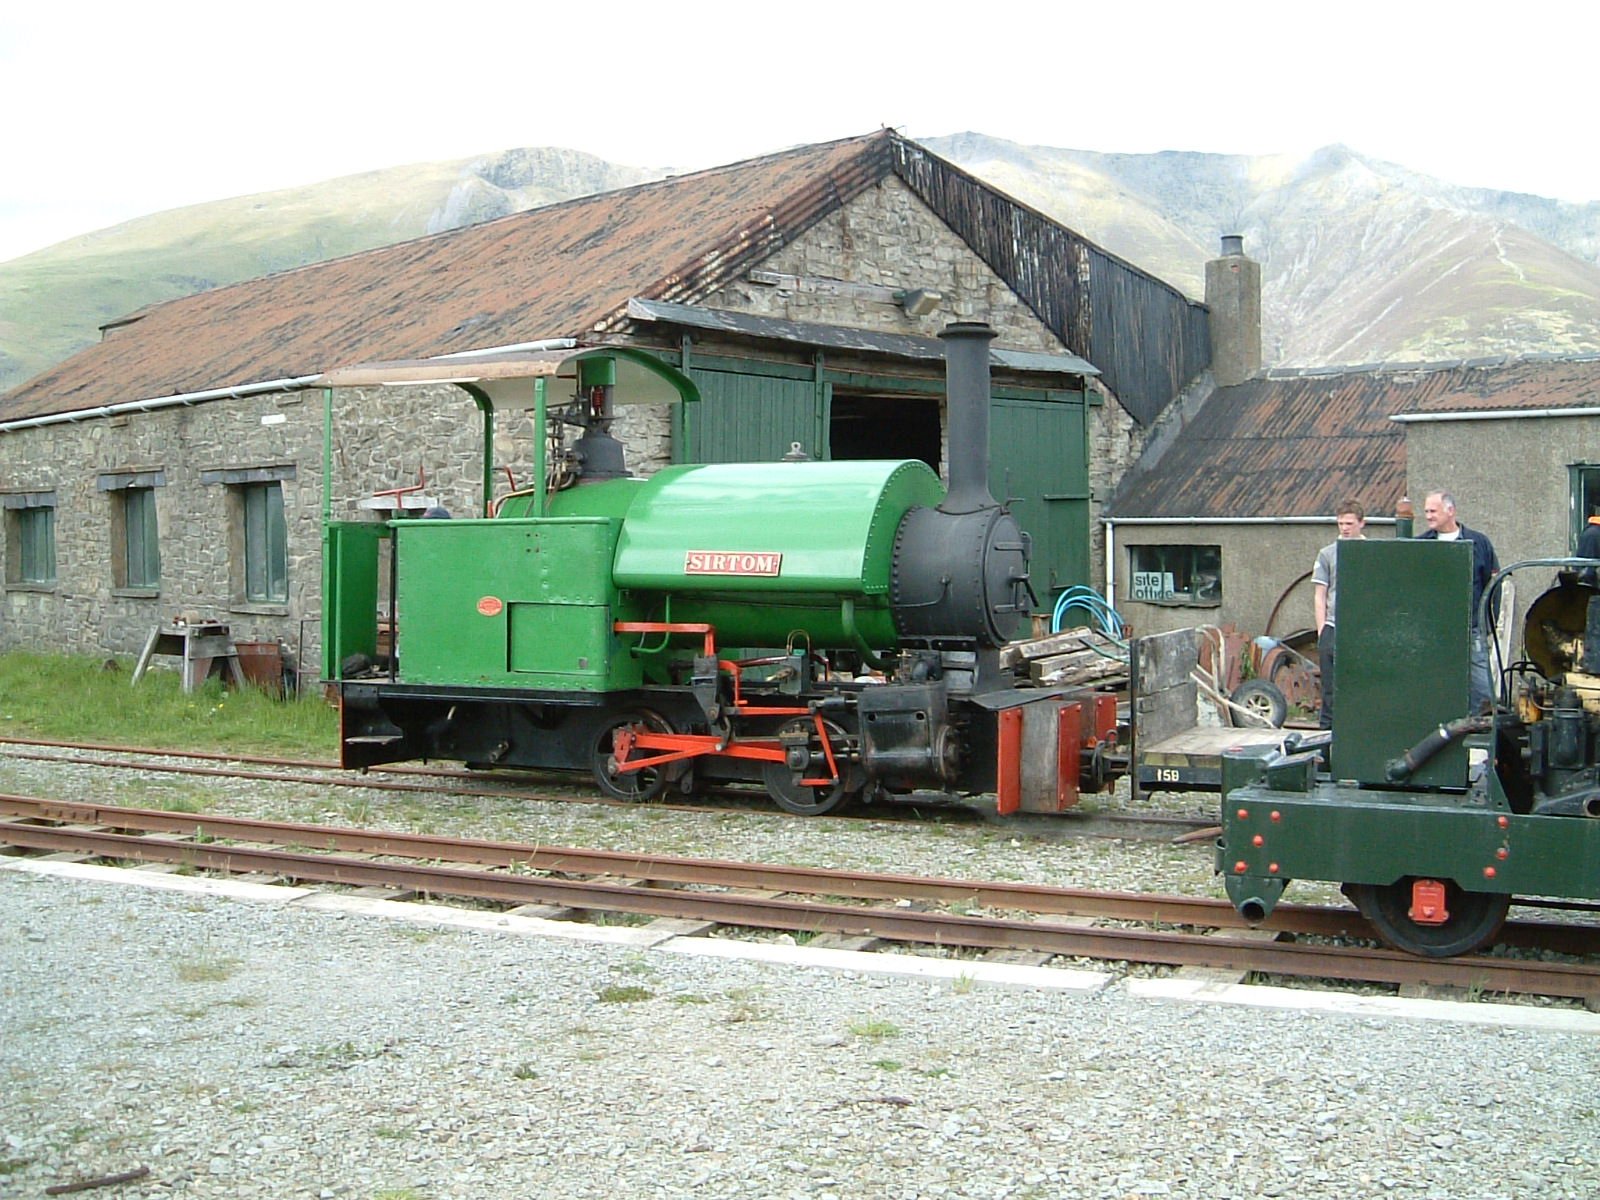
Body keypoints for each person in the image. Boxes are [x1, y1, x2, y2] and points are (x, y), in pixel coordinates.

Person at [1418, 490, 1499, 713]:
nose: (1428, 516)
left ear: (1450, 510)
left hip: (1471, 629)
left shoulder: (1479, 542)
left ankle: (1481, 737)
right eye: (1426, 511)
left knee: (1482, 689)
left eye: (1433, 511)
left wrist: (1487, 625)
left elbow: (1493, 586)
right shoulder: (1420, 545)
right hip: (1431, 632)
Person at [1311, 500, 1367, 729]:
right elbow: (1320, 595)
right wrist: (1322, 630)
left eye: (1350, 523)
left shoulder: (1373, 552)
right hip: (1333, 628)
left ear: (1362, 523)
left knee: (1361, 688)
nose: (1345, 528)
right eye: (1341, 523)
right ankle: (1324, 749)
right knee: (1330, 691)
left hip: (1362, 630)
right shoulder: (1327, 554)